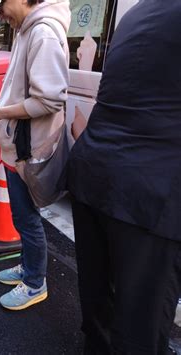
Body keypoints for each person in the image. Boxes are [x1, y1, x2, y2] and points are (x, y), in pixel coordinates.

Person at [65, 1, 181, 353]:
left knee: (99, 308)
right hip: (150, 192)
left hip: (93, 173)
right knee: (140, 328)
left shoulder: (135, 14)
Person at [0, 0, 70, 311]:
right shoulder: (26, 29)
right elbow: (21, 92)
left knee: (27, 220)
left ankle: (34, 282)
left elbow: (50, 100)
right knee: (21, 217)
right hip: (17, 147)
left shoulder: (42, 33)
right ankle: (28, 267)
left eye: (0, 5)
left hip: (28, 149)